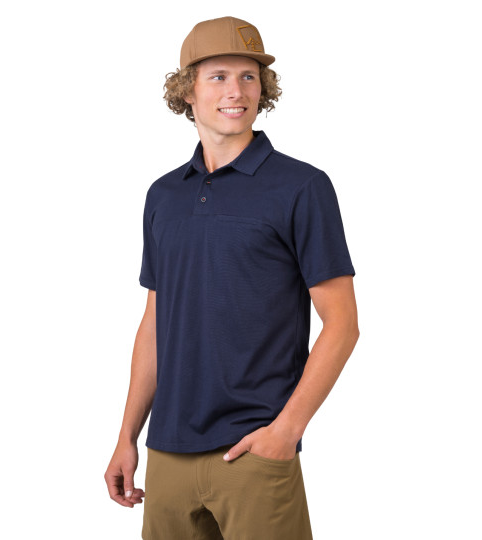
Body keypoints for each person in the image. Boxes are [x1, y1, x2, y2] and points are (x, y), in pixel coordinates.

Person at [104, 15, 360, 540]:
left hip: (254, 452)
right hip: (167, 452)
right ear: (187, 90)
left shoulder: (301, 186)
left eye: (249, 77)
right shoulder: (163, 195)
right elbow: (155, 322)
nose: (236, 91)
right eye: (218, 76)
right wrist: (127, 436)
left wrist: (285, 433)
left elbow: (342, 324)